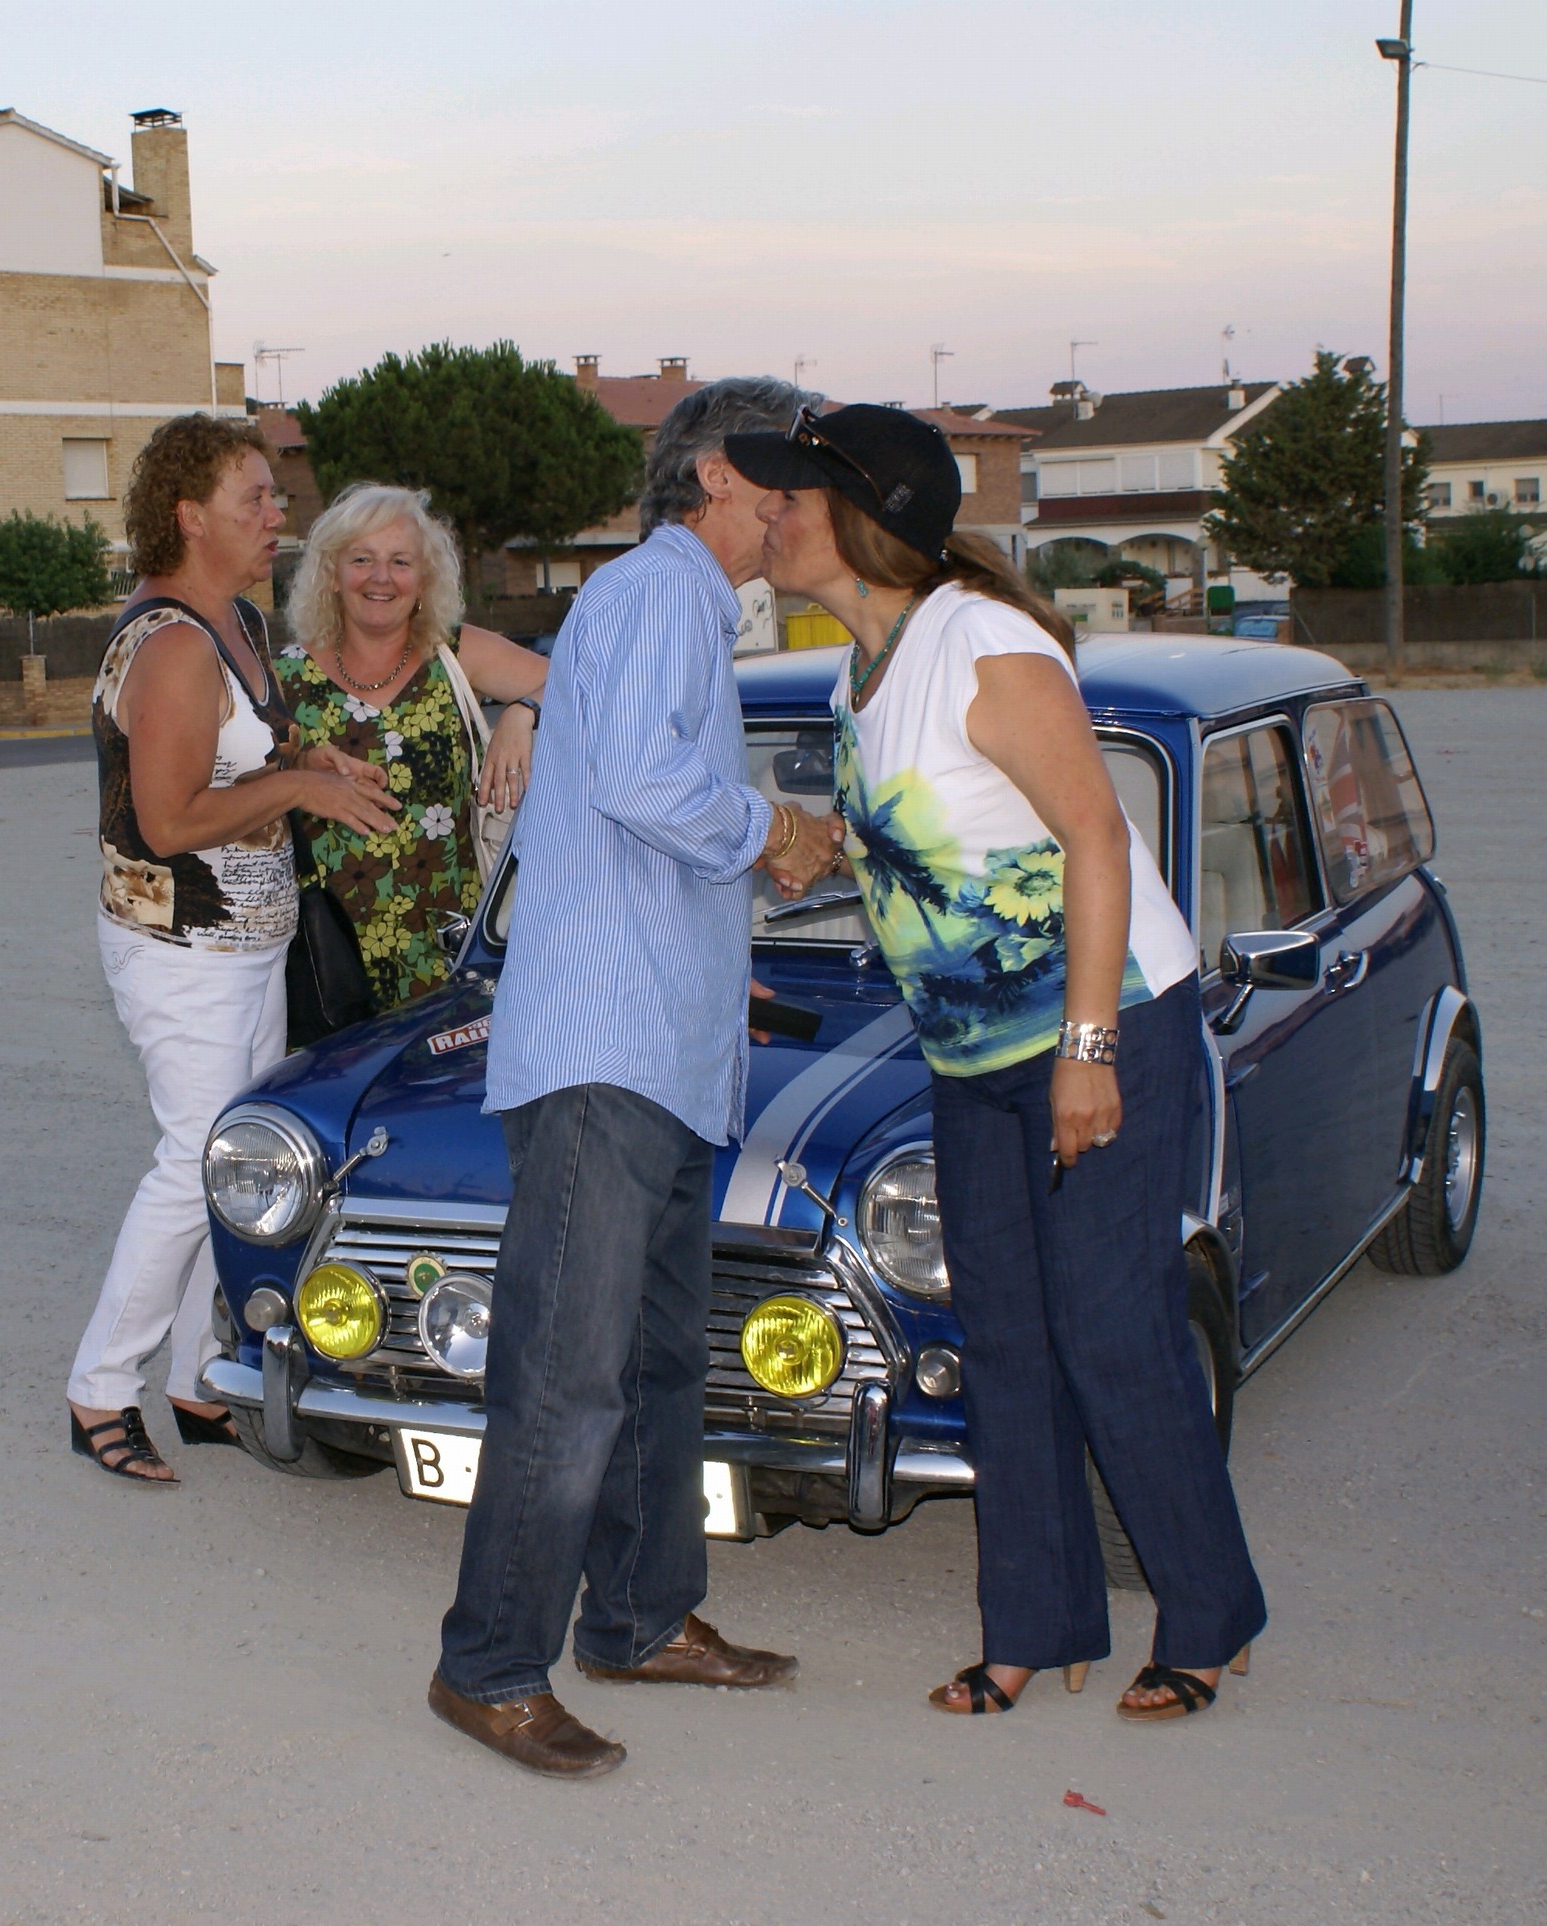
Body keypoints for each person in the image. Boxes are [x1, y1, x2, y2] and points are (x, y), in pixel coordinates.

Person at [732, 402, 1267, 1723]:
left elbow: (1096, 836)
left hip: (1105, 1024)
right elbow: (946, 840)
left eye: (790, 498)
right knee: (1009, 1342)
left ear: (864, 520)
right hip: (973, 1052)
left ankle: (1209, 1615)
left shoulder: (982, 641)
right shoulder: (861, 672)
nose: (769, 518)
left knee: (1114, 1330)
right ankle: (1036, 1624)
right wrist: (820, 847)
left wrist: (1089, 1051)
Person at [429, 379, 840, 1779]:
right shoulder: (659, 592)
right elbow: (649, 787)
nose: (800, 504)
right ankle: (490, 1666)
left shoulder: (678, 609)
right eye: (786, 474)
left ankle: (643, 1615)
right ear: (718, 475)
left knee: (658, 1361)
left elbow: (632, 814)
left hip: (657, 1054)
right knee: (568, 1372)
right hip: (606, 1054)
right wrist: (775, 828)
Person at [68, 414, 400, 1484]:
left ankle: (198, 1375)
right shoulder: (170, 646)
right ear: (188, 516)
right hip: (181, 948)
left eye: (274, 494)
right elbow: (166, 821)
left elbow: (254, 740)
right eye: (253, 497)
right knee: (191, 1163)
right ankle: (101, 1387)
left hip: (252, 943)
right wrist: (300, 786)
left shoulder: (238, 622)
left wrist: (316, 758)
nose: (276, 513)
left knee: (240, 1160)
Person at [276, 484, 551, 1015]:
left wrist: (524, 712)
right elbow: (240, 784)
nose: (381, 577)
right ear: (332, 574)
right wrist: (300, 769)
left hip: (453, 948)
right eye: (362, 559)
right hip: (330, 958)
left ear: (423, 579)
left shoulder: (455, 654)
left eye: (400, 561)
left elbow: (584, 683)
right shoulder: (284, 679)